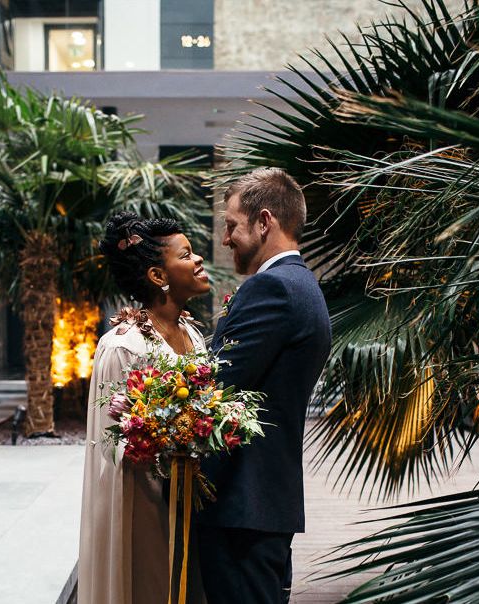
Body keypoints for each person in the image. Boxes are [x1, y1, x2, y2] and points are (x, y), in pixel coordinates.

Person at [196, 168, 332, 603]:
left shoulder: (272, 287)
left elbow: (214, 383)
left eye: (232, 225)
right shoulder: (301, 284)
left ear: (264, 221)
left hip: (242, 505)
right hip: (264, 504)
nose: (225, 238)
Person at [78, 212, 210, 604]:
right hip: (142, 502)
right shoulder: (123, 346)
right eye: (186, 254)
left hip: (192, 498)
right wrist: (164, 439)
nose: (199, 259)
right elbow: (109, 441)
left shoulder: (194, 335)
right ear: (158, 276)